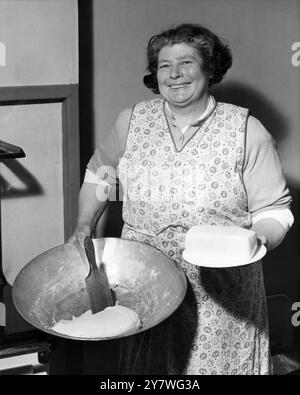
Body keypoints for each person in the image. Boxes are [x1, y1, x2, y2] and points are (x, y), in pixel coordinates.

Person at [69, 23, 294, 375]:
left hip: (221, 292)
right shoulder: (131, 121)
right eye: (163, 65)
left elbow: (275, 211)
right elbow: (101, 175)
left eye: (186, 63)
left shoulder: (248, 131)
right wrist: (84, 222)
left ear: (209, 68)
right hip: (146, 285)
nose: (174, 75)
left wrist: (255, 239)